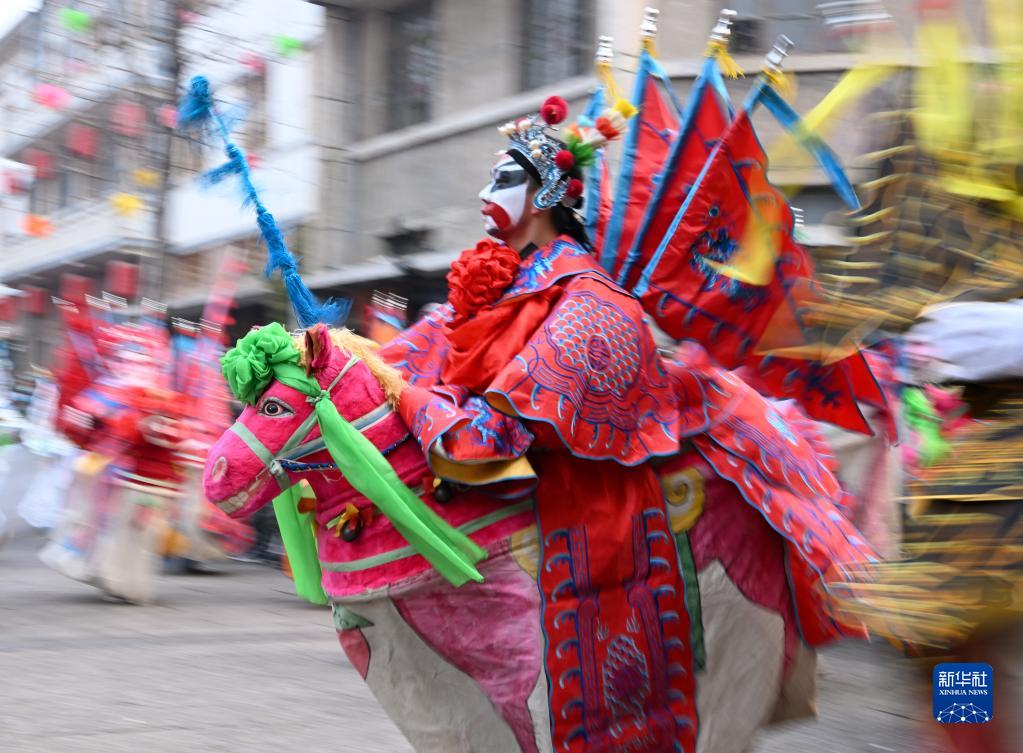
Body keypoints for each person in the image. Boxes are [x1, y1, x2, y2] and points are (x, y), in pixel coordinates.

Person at [380, 95, 877, 752]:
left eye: (503, 178)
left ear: (549, 192)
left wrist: (396, 392)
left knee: (963, 670)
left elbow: (489, 438)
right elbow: (407, 361)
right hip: (505, 486)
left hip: (586, 500)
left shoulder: (593, 304)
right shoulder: (495, 291)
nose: (482, 192)